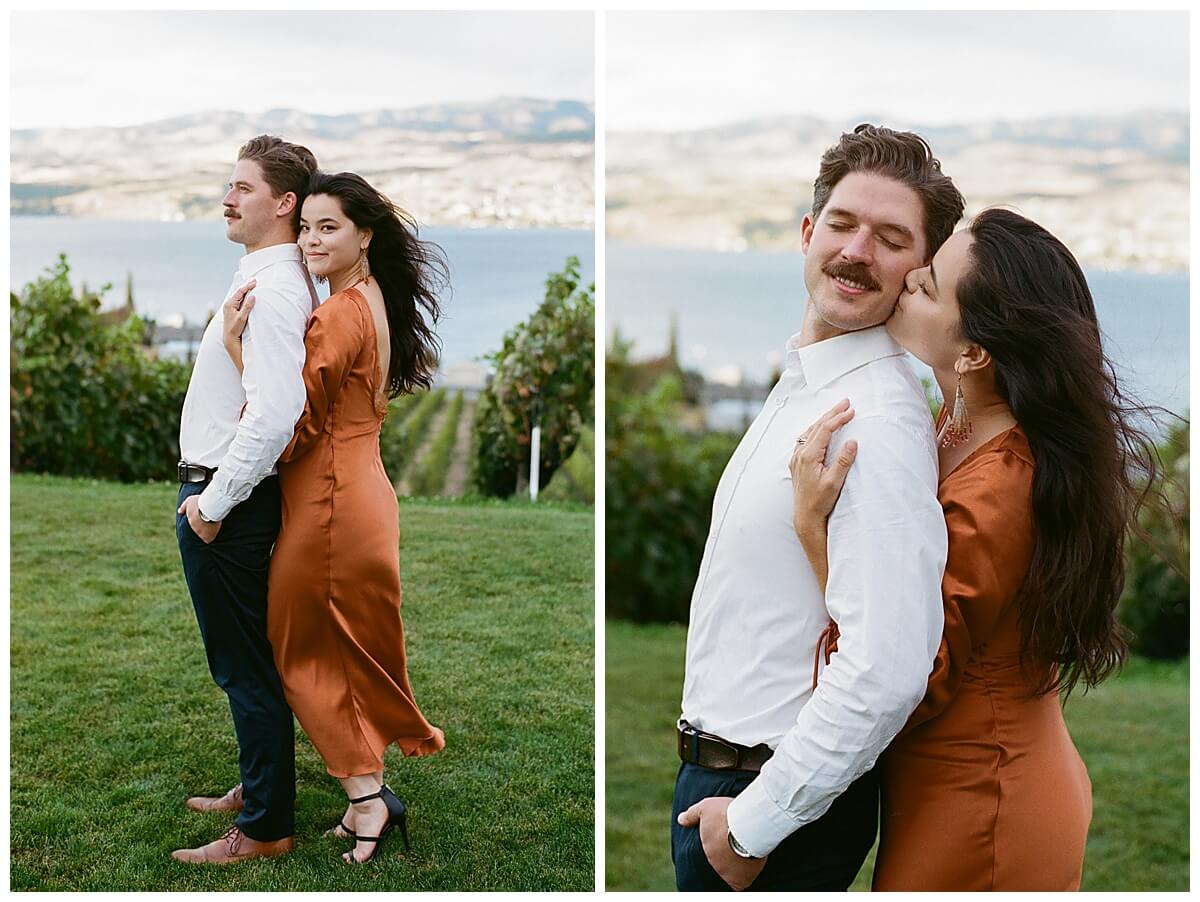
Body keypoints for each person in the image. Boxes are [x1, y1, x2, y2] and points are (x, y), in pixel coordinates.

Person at [790, 208, 1159, 890]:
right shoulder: (961, 426)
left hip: (985, 801)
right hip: (962, 782)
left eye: (926, 286)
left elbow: (914, 673)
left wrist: (814, 530)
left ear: (973, 353)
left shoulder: (1002, 485)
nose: (903, 284)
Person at [671, 125, 963, 891]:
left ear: (919, 272)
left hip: (769, 807)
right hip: (728, 784)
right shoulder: (811, 381)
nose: (857, 250)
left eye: (891, 238)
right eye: (842, 223)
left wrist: (755, 824)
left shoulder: (875, 425)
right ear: (808, 231)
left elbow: (888, 665)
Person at [221, 171, 447, 865]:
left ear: (365, 236)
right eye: (308, 226)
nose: (312, 240)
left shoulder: (339, 314)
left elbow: (296, 418)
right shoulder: (372, 300)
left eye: (329, 228)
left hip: (328, 501)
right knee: (341, 648)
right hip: (363, 488)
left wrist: (237, 354)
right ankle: (366, 794)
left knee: (299, 651)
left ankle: (367, 800)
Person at [173, 135, 320, 864]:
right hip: (222, 495)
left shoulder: (276, 287)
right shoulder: (265, 274)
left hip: (224, 505)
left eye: (243, 188)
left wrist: (212, 505)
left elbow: (274, 413)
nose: (227, 198)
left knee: (242, 668)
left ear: (283, 202)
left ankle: (264, 830)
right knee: (247, 663)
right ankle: (255, 788)